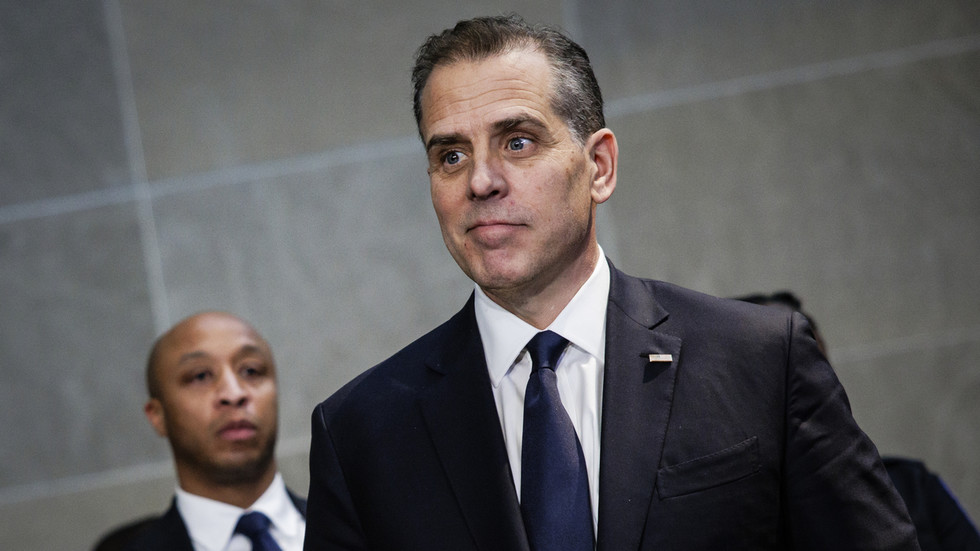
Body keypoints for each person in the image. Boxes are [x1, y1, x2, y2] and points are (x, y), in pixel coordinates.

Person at [304, 14, 919, 550]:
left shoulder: (759, 358)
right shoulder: (361, 431)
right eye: (451, 156)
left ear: (598, 167)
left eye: (517, 142)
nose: (481, 182)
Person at [736, 291, 980, 551]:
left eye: (819, 371)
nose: (816, 395)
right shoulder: (734, 526)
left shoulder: (911, 486)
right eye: (787, 384)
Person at [93, 311, 306, 551]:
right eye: (200, 376)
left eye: (251, 371)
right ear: (157, 416)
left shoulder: (351, 523)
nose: (234, 394)